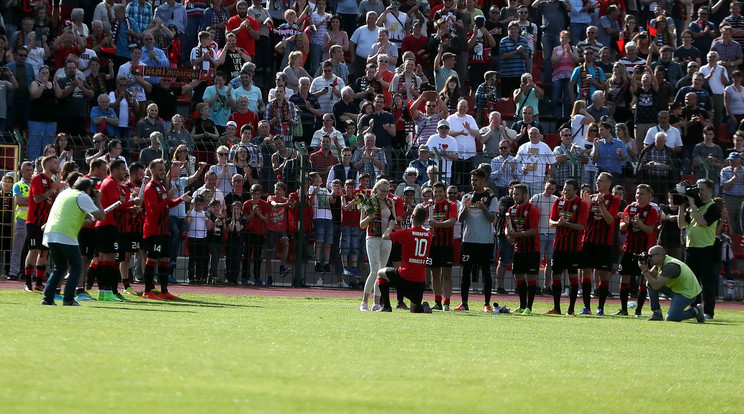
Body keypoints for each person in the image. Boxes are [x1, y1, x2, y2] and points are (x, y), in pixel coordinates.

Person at [39, 178, 106, 306]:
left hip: (51, 233)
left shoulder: (64, 193)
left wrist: (87, 218)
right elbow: (101, 216)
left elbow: (76, 217)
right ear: (87, 189)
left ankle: (47, 298)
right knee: (76, 267)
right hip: (66, 235)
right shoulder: (82, 196)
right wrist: (98, 199)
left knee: (60, 267)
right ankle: (69, 299)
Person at [141, 159, 193, 300]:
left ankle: (164, 291)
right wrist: (168, 198)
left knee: (165, 259)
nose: (163, 172)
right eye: (160, 170)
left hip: (163, 231)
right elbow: (154, 210)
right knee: (152, 259)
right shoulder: (150, 188)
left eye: (164, 170)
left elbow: (167, 205)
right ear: (152, 171)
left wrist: (181, 198)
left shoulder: (161, 187)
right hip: (153, 231)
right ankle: (147, 291)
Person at [95, 159, 142, 301]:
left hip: (107, 224)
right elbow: (116, 205)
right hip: (108, 225)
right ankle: (107, 291)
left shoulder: (111, 183)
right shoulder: (110, 183)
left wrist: (129, 208)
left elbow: (117, 205)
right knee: (109, 259)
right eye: (122, 169)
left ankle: (104, 292)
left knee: (106, 259)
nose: (125, 172)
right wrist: (133, 202)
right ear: (114, 170)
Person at [455, 168, 498, 312]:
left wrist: (484, 209)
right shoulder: (467, 196)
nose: (474, 183)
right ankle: (464, 303)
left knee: (485, 271)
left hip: (485, 241)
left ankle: (487, 304)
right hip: (468, 240)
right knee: (466, 272)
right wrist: (465, 208)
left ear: (483, 181)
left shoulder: (491, 197)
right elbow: (460, 219)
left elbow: (493, 219)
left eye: (476, 180)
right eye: (472, 180)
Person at [375, 205, 433, 313]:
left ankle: (386, 306)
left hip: (405, 277)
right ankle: (422, 307)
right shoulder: (428, 235)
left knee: (380, 273)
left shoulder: (406, 233)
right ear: (425, 219)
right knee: (414, 309)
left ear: (412, 216)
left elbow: (385, 236)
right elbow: (422, 232)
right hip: (420, 282)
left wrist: (390, 227)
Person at [677, 178, 721, 320]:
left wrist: (691, 204)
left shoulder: (713, 207)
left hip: (705, 249)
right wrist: (682, 206)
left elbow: (702, 223)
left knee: (707, 282)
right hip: (691, 248)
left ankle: (709, 311)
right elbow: (681, 224)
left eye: (702, 189)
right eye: (698, 189)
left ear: (710, 190)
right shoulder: (694, 206)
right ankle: (695, 310)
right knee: (692, 282)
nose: (699, 192)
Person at [579, 172, 621, 316]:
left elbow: (610, 220)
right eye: (597, 180)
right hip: (588, 240)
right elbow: (583, 221)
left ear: (609, 183)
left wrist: (601, 205)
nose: (598, 183)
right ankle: (586, 307)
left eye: (601, 181)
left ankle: (600, 308)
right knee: (585, 272)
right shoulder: (590, 198)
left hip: (604, 242)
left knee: (603, 274)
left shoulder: (614, 200)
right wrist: (586, 206)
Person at [615, 184, 660, 317]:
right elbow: (622, 227)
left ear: (649, 197)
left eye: (642, 194)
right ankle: (623, 309)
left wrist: (639, 224)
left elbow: (649, 230)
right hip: (628, 249)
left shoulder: (651, 210)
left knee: (642, 280)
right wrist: (627, 223)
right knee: (624, 279)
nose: (638, 196)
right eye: (637, 193)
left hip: (643, 251)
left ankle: (638, 311)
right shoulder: (630, 208)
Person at [546, 179, 588, 315]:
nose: (565, 192)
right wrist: (558, 222)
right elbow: (551, 222)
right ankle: (556, 308)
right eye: (564, 189)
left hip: (573, 247)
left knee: (572, 276)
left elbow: (581, 227)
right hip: (558, 245)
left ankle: (571, 309)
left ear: (576, 191)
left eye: (568, 190)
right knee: (556, 275)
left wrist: (565, 224)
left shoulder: (581, 204)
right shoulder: (558, 202)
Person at [24, 156, 65, 293]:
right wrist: (52, 188)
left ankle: (39, 283)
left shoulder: (51, 180)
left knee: (44, 252)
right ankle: (28, 282)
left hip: (46, 222)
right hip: (34, 220)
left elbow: (51, 202)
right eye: (55, 162)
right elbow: (37, 199)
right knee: (34, 250)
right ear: (47, 164)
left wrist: (57, 191)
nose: (57, 165)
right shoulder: (37, 178)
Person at [639, 245, 705, 323]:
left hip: (687, 292)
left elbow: (656, 286)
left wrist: (644, 272)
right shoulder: (661, 262)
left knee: (672, 318)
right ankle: (657, 313)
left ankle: (696, 311)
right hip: (677, 289)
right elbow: (651, 277)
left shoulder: (670, 266)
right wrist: (645, 268)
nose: (649, 258)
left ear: (659, 255)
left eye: (651, 256)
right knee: (649, 284)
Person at [505, 183, 541, 315]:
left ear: (525, 195)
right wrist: (508, 235)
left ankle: (529, 308)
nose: (514, 196)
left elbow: (533, 231)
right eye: (513, 193)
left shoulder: (532, 210)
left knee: (531, 276)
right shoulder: (511, 210)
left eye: (517, 194)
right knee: (518, 275)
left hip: (532, 249)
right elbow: (507, 226)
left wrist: (517, 235)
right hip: (518, 249)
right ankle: (522, 305)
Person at [360, 178, 395, 311]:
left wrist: (390, 228)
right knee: (374, 270)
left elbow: (393, 220)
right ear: (376, 189)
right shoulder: (368, 201)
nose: (384, 194)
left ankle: (377, 303)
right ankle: (364, 301)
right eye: (382, 191)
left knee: (381, 271)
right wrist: (369, 217)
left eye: (387, 191)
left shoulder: (390, 202)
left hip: (386, 239)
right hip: (373, 238)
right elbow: (362, 225)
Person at [427, 182, 457, 311]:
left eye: (440, 191)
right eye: (436, 191)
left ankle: (447, 302)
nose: (438, 194)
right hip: (433, 244)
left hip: (446, 244)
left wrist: (436, 224)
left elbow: (452, 222)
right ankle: (437, 301)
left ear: (444, 192)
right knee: (434, 273)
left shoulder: (451, 205)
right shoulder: (429, 206)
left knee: (447, 273)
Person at [530, 180, 558, 296]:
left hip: (552, 233)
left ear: (554, 189)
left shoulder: (556, 199)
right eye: (548, 188)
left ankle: (547, 286)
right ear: (544, 186)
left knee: (550, 262)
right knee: (537, 260)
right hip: (540, 233)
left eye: (552, 189)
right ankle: (536, 285)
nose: (549, 190)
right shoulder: (536, 198)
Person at [8, 162, 33, 281]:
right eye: (27, 170)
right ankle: (14, 272)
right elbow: (19, 201)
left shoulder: (35, 183)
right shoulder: (17, 185)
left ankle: (30, 272)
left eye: (31, 169)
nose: (30, 172)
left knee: (33, 249)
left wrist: (27, 199)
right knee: (18, 249)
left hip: (33, 220)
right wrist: (33, 199)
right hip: (22, 219)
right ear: (22, 171)